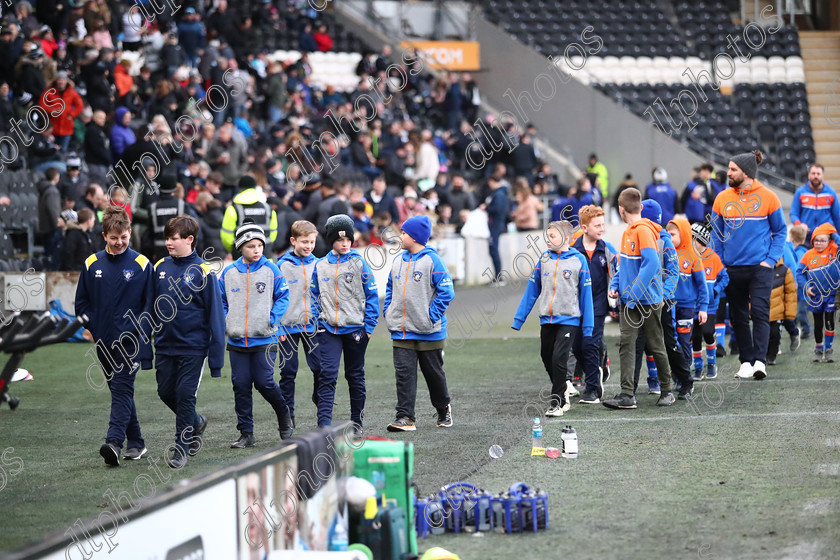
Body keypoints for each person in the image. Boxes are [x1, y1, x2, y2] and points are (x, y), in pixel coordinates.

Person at [74, 206, 154, 467]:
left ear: (130, 233)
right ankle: (137, 443)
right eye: (114, 238)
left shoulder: (142, 264)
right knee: (120, 392)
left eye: (124, 237)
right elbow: (81, 303)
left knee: (120, 390)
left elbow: (149, 305)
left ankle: (114, 443)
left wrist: (139, 332)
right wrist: (94, 328)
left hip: (130, 343)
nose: (119, 242)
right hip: (103, 343)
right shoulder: (91, 263)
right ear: (104, 235)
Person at [153, 215, 226, 468]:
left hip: (193, 348)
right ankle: (196, 422)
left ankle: (180, 448)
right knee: (165, 392)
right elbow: (150, 307)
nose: (169, 243)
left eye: (174, 239)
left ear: (190, 239)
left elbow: (216, 317)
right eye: (167, 238)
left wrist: (216, 360)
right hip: (164, 345)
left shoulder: (205, 271)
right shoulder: (160, 267)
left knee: (185, 396)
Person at [711, 151, 786, 380]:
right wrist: (721, 262)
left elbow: (781, 231)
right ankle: (746, 361)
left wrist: (769, 261)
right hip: (732, 268)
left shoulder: (769, 197)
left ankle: (760, 362)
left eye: (733, 169)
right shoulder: (722, 198)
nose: (728, 173)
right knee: (738, 316)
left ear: (746, 172)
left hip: (760, 269)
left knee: (761, 314)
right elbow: (716, 233)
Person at [220, 220, 295, 449]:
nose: (257, 250)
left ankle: (284, 415)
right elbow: (220, 301)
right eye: (251, 246)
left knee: (264, 382)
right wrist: (226, 320)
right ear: (241, 247)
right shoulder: (228, 273)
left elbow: (283, 296)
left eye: (260, 246)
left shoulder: (271, 269)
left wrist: (272, 318)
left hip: (264, 338)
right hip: (236, 341)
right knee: (240, 384)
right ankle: (246, 434)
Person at [512, 220, 594, 416]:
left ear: (566, 239)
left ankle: (557, 403)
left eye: (553, 236)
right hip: (546, 320)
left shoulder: (578, 260)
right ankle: (563, 386)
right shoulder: (544, 259)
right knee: (546, 357)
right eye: (547, 236)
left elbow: (586, 295)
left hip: (569, 320)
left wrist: (588, 326)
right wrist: (519, 319)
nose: (548, 240)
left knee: (559, 359)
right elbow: (532, 290)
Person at [383, 215, 456, 431]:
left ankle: (443, 409)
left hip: (428, 331)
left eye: (404, 233)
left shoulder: (433, 260)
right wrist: (389, 311)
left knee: (434, 375)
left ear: (414, 237)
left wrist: (430, 317)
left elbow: (447, 292)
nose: (401, 235)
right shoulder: (397, 260)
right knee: (404, 375)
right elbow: (389, 288)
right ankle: (405, 417)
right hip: (401, 331)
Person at [605, 188, 675, 409]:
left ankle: (667, 390)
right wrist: (616, 285)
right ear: (640, 207)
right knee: (627, 344)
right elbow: (625, 266)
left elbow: (652, 264)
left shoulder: (642, 231)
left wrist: (633, 293)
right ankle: (627, 394)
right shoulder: (630, 232)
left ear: (620, 209)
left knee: (656, 344)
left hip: (647, 301)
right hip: (630, 301)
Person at [310, 215, 379, 430]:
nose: (345, 244)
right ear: (332, 241)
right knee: (327, 375)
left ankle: (356, 423)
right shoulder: (320, 265)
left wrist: (368, 327)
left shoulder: (359, 263)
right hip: (328, 329)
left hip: (356, 329)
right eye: (340, 240)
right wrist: (317, 320)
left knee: (355, 376)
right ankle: (324, 426)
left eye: (348, 239)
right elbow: (313, 295)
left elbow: (372, 295)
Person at [632, 200, 696, 400]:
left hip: (662, 302)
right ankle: (629, 390)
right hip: (640, 301)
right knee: (636, 344)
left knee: (668, 342)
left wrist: (663, 296)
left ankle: (686, 380)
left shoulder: (664, 240)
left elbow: (673, 272)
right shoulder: (637, 235)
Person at [276, 220, 322, 428]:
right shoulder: (281, 265)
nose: (308, 246)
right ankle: (288, 415)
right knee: (288, 372)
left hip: (313, 327)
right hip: (287, 328)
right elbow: (274, 297)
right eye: (304, 242)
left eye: (312, 242)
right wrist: (278, 326)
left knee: (321, 368)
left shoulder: (319, 264)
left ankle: (320, 399)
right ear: (293, 240)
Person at [571, 205, 616, 404]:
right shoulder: (572, 250)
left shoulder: (606, 249)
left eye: (603, 224)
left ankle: (591, 389)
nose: (602, 229)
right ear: (584, 227)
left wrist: (615, 300)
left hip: (597, 306)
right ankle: (598, 367)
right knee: (577, 347)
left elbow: (617, 274)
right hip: (575, 307)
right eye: (597, 225)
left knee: (589, 344)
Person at [665, 218, 709, 382]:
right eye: (667, 234)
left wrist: (703, 307)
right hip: (668, 306)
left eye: (673, 234)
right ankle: (675, 374)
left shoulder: (693, 256)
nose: (669, 237)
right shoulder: (665, 254)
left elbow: (702, 285)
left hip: (686, 307)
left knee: (684, 342)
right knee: (670, 342)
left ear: (683, 234)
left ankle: (684, 378)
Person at [796, 223, 840, 363]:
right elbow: (799, 273)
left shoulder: (834, 251)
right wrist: (806, 286)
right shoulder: (808, 255)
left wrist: (833, 235)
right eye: (816, 240)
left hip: (831, 294)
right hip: (815, 296)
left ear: (829, 241)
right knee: (818, 323)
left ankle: (829, 349)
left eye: (823, 240)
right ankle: (818, 348)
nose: (819, 243)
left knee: (829, 322)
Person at [690, 223, 728, 379]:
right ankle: (698, 367)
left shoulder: (713, 257)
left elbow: (725, 277)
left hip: (710, 306)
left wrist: (715, 290)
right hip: (693, 305)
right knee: (696, 336)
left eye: (694, 240)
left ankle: (711, 363)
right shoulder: (688, 256)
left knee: (707, 332)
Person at [221, 175, 278, 259]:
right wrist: (262, 246)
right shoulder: (268, 208)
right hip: (265, 258)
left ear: (240, 189)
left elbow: (226, 236)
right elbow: (273, 233)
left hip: (241, 260)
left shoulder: (233, 209)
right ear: (255, 188)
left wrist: (235, 248)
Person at [790, 163, 840, 245]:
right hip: (806, 239)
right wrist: (799, 224)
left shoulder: (831, 193)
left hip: (826, 238)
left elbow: (837, 217)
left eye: (818, 174)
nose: (815, 176)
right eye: (813, 173)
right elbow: (793, 213)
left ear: (822, 176)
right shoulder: (800, 192)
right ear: (809, 175)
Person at [766, 256, 797, 365]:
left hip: (778, 311)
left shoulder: (784, 270)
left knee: (774, 334)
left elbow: (790, 294)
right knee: (761, 335)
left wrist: (789, 314)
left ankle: (771, 356)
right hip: (762, 310)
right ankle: (762, 356)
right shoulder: (757, 268)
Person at [37, 167, 64, 270]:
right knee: (53, 258)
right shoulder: (52, 191)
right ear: (56, 177)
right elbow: (52, 210)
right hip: (52, 229)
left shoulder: (43, 189)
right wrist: (57, 224)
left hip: (45, 228)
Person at [789, 224, 812, 339]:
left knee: (801, 311)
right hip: (801, 288)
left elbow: (798, 268)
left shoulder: (799, 252)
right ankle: (798, 328)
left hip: (802, 289)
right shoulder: (801, 250)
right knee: (797, 311)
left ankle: (806, 330)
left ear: (792, 238)